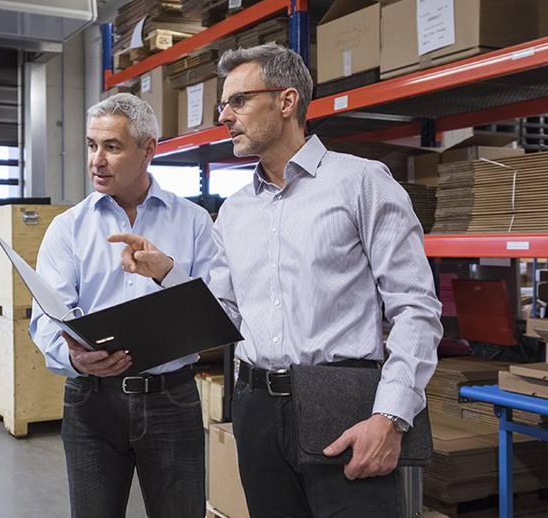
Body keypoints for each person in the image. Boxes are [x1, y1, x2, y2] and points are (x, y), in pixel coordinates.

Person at [109, 44, 444, 517]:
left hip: (342, 403)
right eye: (223, 104)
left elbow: (416, 309)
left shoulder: (362, 183)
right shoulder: (234, 210)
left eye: (238, 101)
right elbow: (224, 315)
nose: (225, 116)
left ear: (287, 102)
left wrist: (391, 417)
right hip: (256, 408)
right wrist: (168, 272)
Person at [28, 93, 215, 518]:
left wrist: (167, 271)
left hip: (172, 400)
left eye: (112, 146)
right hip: (90, 404)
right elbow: (44, 318)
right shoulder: (67, 229)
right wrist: (76, 360)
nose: (97, 159)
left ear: (149, 149)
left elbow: (217, 310)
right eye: (92, 145)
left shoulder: (193, 222)